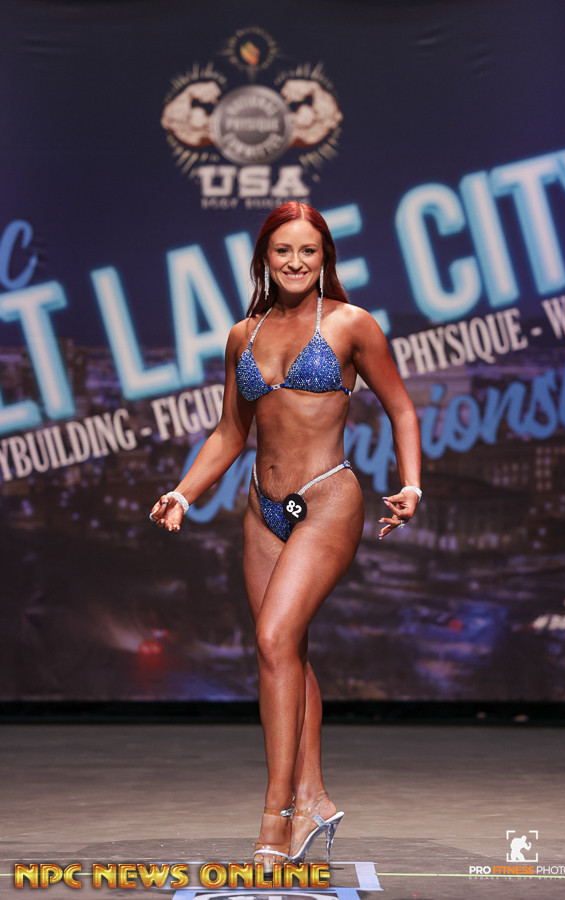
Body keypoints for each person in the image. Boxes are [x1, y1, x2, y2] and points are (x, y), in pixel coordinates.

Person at [149, 201, 421, 868]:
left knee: (273, 640)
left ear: (325, 257)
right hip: (261, 509)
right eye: (283, 251)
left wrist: (411, 484)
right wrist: (184, 492)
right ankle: (314, 797)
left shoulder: (351, 324)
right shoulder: (244, 334)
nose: (296, 262)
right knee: (285, 652)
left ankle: (276, 817)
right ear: (263, 259)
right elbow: (230, 432)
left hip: (327, 499)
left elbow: (401, 408)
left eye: (308, 250)